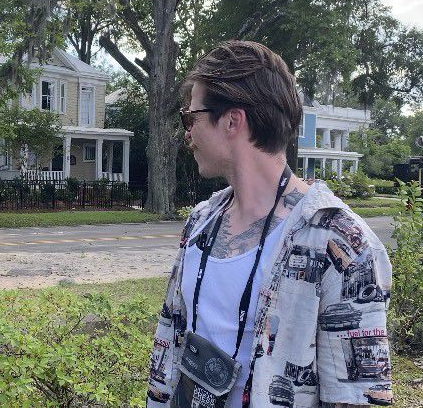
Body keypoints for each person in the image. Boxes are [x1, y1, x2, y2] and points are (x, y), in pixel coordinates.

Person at [146, 41, 392, 407]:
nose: (187, 133)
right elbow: (171, 342)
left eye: (191, 118)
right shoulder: (200, 221)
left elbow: (357, 396)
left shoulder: (342, 243)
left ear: (232, 121)